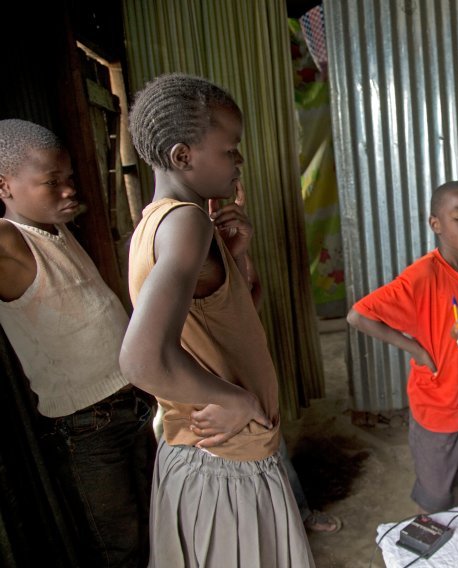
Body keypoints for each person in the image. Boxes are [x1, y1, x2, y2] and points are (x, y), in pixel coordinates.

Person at [121, 73, 314, 567]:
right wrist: (235, 398)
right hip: (224, 462)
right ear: (183, 156)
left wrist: (237, 258)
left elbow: (231, 320)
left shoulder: (161, 222)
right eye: (231, 150)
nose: (240, 162)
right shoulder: (186, 223)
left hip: (216, 456)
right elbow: (141, 358)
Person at [0, 119, 155, 567]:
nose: (69, 190)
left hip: (131, 404)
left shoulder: (58, 231)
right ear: (4, 186)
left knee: (149, 526)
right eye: (52, 182)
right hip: (85, 429)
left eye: (68, 179)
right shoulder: (11, 241)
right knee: (117, 546)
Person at [347, 181, 458, 513]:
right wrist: (416, 350)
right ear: (435, 224)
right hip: (439, 406)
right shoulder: (423, 276)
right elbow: (358, 316)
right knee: (436, 495)